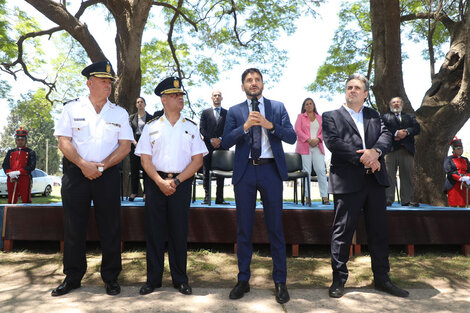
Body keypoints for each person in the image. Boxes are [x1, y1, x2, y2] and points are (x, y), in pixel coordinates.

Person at [322, 73, 409, 299]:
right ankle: (338, 280)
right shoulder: (331, 116)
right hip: (347, 181)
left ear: (365, 93)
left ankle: (382, 279)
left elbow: (386, 137)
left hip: (375, 182)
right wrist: (364, 157)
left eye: (357, 88)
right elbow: (334, 143)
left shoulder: (374, 116)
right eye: (349, 87)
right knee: (342, 233)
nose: (352, 90)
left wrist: (376, 152)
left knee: (379, 232)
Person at [52, 60, 133, 297]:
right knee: (73, 227)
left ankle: (111, 278)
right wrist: (83, 165)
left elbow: (125, 146)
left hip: (106, 176)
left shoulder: (118, 112)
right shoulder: (72, 108)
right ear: (89, 83)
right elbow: (63, 142)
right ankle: (73, 277)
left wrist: (103, 166)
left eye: (110, 82)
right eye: (103, 81)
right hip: (76, 175)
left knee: (111, 227)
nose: (108, 85)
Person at [222, 68, 297, 304]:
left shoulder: (277, 107)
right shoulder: (235, 111)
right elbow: (225, 141)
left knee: (275, 227)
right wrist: (244, 126)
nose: (253, 83)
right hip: (245, 172)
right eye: (248, 80)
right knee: (244, 228)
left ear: (263, 84)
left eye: (257, 80)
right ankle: (243, 279)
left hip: (270, 170)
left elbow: (292, 137)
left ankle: (280, 282)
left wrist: (269, 124)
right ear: (242, 86)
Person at [135, 77, 207, 296]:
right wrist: (159, 181)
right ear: (164, 100)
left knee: (178, 233)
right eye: (175, 95)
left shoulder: (191, 127)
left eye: (181, 95)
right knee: (154, 233)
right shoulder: (151, 127)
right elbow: (145, 160)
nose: (180, 98)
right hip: (155, 184)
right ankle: (153, 280)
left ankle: (180, 279)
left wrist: (175, 181)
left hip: (181, 184)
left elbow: (198, 161)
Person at [381, 97, 420, 206]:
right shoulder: (384, 117)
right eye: (393, 102)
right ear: (390, 105)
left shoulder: (410, 117)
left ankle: (406, 200)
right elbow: (381, 128)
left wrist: (406, 132)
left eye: (398, 102)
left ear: (402, 104)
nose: (396, 104)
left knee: (407, 175)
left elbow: (417, 128)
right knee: (389, 175)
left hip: (406, 150)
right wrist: (396, 133)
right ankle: (388, 199)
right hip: (390, 150)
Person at [294, 97, 329, 205]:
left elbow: (324, 131)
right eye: (307, 104)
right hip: (305, 147)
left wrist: (318, 139)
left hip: (317, 146)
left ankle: (324, 197)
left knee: (321, 171)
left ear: (314, 105)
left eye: (311, 103)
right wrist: (308, 139)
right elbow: (297, 130)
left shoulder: (320, 118)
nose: (309, 105)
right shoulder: (300, 117)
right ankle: (307, 197)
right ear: (304, 107)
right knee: (306, 172)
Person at [200, 90, 229, 204]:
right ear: (211, 98)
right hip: (208, 146)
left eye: (219, 95)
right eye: (215, 95)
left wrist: (220, 139)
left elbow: (229, 129)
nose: (217, 97)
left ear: (222, 98)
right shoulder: (205, 113)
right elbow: (202, 129)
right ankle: (207, 197)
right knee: (206, 171)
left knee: (221, 173)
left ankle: (219, 198)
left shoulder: (227, 113)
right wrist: (212, 139)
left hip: (222, 147)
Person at [2, 127, 36, 204]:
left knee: (26, 199)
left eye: (22, 140)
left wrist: (19, 172)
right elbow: (5, 165)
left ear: (25, 141)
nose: (20, 141)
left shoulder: (31, 152)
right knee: (11, 199)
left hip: (25, 178)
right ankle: (11, 215)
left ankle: (26, 215)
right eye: (18, 140)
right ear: (16, 141)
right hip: (11, 178)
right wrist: (10, 173)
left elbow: (32, 166)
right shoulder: (10, 152)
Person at [128, 97, 153, 201]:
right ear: (136, 105)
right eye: (138, 102)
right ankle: (134, 192)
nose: (140, 104)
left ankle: (146, 193)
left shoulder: (151, 117)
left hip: (147, 144)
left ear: (145, 104)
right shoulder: (131, 117)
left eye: (142, 102)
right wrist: (134, 142)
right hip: (135, 143)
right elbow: (128, 132)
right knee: (134, 169)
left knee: (147, 170)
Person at [443, 137, 470, 207]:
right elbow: (449, 172)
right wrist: (460, 178)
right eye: (458, 149)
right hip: (453, 184)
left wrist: (468, 178)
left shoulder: (465, 159)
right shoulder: (448, 159)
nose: (461, 150)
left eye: (462, 148)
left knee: (463, 205)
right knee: (453, 206)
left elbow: (469, 170)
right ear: (453, 150)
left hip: (464, 184)